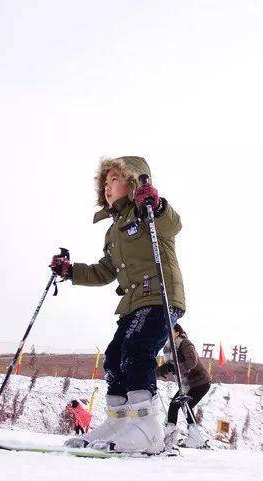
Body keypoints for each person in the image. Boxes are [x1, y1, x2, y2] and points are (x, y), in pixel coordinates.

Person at [50, 156, 185, 454]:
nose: (108, 187)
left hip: (160, 296)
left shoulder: (149, 212)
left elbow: (172, 224)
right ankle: (120, 422)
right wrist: (70, 272)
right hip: (132, 302)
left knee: (137, 350)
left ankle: (147, 429)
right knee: (114, 357)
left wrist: (157, 205)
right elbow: (105, 271)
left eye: (114, 180)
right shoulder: (114, 230)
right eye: (105, 182)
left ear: (133, 180)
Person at [158, 323, 211, 448]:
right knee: (180, 405)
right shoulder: (169, 348)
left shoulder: (185, 343)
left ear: (177, 332)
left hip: (200, 382)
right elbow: (170, 366)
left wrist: (173, 367)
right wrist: (156, 372)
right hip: (189, 384)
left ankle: (186, 437)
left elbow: (192, 362)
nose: (167, 334)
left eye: (169, 331)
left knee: (181, 405)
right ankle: (192, 438)